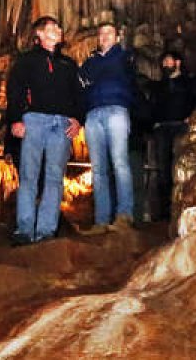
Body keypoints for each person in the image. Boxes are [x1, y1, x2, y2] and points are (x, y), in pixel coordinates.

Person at [6, 16, 83, 245]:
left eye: (59, 27)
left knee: (54, 177)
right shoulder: (27, 61)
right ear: (39, 34)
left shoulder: (68, 64)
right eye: (52, 27)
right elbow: (15, 91)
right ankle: (25, 228)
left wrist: (78, 119)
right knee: (29, 175)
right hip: (34, 121)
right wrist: (16, 120)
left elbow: (78, 95)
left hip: (61, 124)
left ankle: (47, 230)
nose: (58, 30)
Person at [78, 23, 137, 234]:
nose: (104, 36)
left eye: (108, 33)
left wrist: (95, 73)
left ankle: (124, 215)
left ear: (117, 37)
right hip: (93, 113)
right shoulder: (91, 60)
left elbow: (123, 73)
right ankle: (101, 220)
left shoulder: (123, 56)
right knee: (98, 168)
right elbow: (81, 82)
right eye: (101, 33)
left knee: (120, 163)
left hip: (116, 110)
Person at [144, 51, 196, 222]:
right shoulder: (159, 87)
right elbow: (152, 106)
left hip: (181, 127)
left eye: (168, 61)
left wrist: (192, 117)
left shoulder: (188, 83)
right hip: (162, 129)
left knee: (181, 165)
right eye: (164, 62)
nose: (165, 64)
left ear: (178, 63)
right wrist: (153, 123)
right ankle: (165, 211)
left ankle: (183, 206)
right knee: (163, 168)